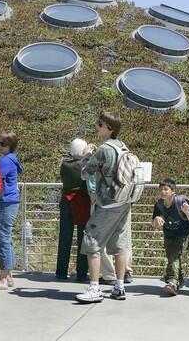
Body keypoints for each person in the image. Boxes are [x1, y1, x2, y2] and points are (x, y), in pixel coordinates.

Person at [75, 111, 133, 303]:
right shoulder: (122, 146)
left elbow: (85, 173)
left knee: (92, 242)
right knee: (120, 245)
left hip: (107, 203)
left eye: (99, 124)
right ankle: (119, 286)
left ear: (109, 128)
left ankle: (94, 288)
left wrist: (86, 155)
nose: (96, 127)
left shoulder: (103, 150)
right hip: (124, 202)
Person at [152, 178, 189, 296]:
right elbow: (154, 223)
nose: (163, 192)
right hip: (169, 233)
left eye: (166, 189)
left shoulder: (181, 201)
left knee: (174, 257)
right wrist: (156, 219)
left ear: (173, 191)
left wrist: (186, 212)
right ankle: (180, 280)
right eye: (161, 189)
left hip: (182, 233)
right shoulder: (159, 204)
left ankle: (172, 282)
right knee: (171, 255)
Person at [0, 131, 23, 289]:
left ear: (10, 146)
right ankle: (8, 276)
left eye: (2, 144)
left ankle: (3, 278)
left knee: (2, 239)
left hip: (5, 203)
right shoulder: (11, 159)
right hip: (9, 202)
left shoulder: (6, 160)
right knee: (6, 238)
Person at [56, 138, 90, 282]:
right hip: (81, 201)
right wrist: (89, 155)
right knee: (83, 238)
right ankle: (82, 272)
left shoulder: (64, 164)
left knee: (65, 237)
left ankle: (61, 271)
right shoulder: (84, 164)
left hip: (66, 201)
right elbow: (87, 171)